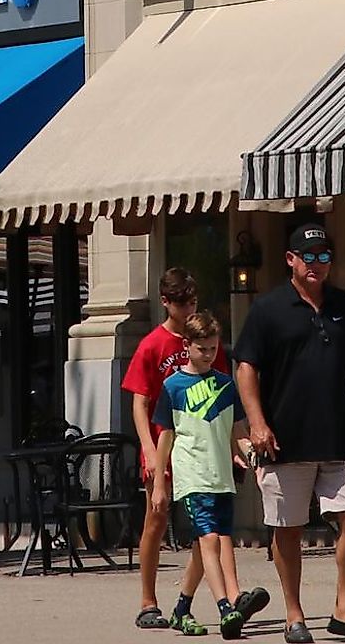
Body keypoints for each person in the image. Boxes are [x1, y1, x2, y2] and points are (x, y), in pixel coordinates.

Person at [235, 223, 345, 644]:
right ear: (291, 261)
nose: (317, 264)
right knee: (288, 528)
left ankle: (342, 607)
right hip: (285, 438)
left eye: (324, 256)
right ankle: (294, 614)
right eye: (309, 257)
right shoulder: (267, 309)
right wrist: (257, 423)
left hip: (341, 433)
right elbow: (246, 367)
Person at [154, 313, 269, 641]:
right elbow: (166, 436)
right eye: (201, 348)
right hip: (192, 475)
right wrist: (160, 483)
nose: (207, 354)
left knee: (203, 550)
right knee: (209, 542)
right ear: (186, 345)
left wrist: (250, 455)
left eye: (213, 348)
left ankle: (181, 609)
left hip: (221, 476)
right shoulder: (173, 387)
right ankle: (224, 607)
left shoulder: (225, 385)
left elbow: (238, 430)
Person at [125, 266, 222, 630]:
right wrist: (149, 450)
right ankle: (148, 600)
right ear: (165, 302)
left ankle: (194, 598)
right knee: (157, 515)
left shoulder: (204, 340)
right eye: (181, 302)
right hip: (163, 443)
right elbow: (139, 402)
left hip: (200, 444)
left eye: (193, 301)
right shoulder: (153, 344)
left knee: (207, 522)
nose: (188, 308)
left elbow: (220, 388)